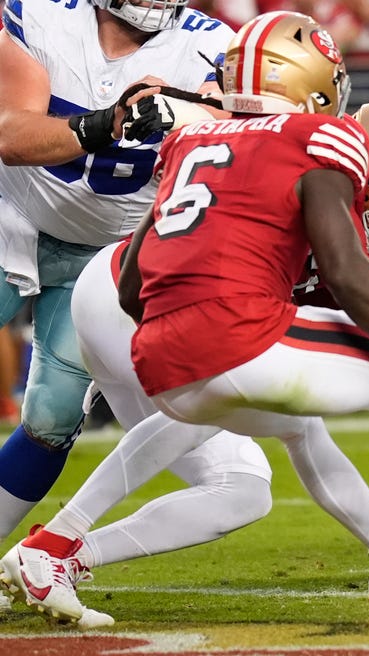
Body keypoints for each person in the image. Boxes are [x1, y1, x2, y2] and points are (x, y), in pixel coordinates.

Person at [0, 12, 369, 634]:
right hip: (159, 299)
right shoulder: (321, 147)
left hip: (141, 302)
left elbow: (350, 281)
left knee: (275, 433)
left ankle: (55, 548)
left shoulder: (221, 140)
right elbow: (350, 276)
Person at [0, 0, 233, 546]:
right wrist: (110, 123)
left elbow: (242, 127)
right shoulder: (38, 14)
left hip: (107, 257)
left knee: (53, 418)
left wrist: (203, 115)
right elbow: (11, 134)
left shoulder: (216, 47)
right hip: (11, 213)